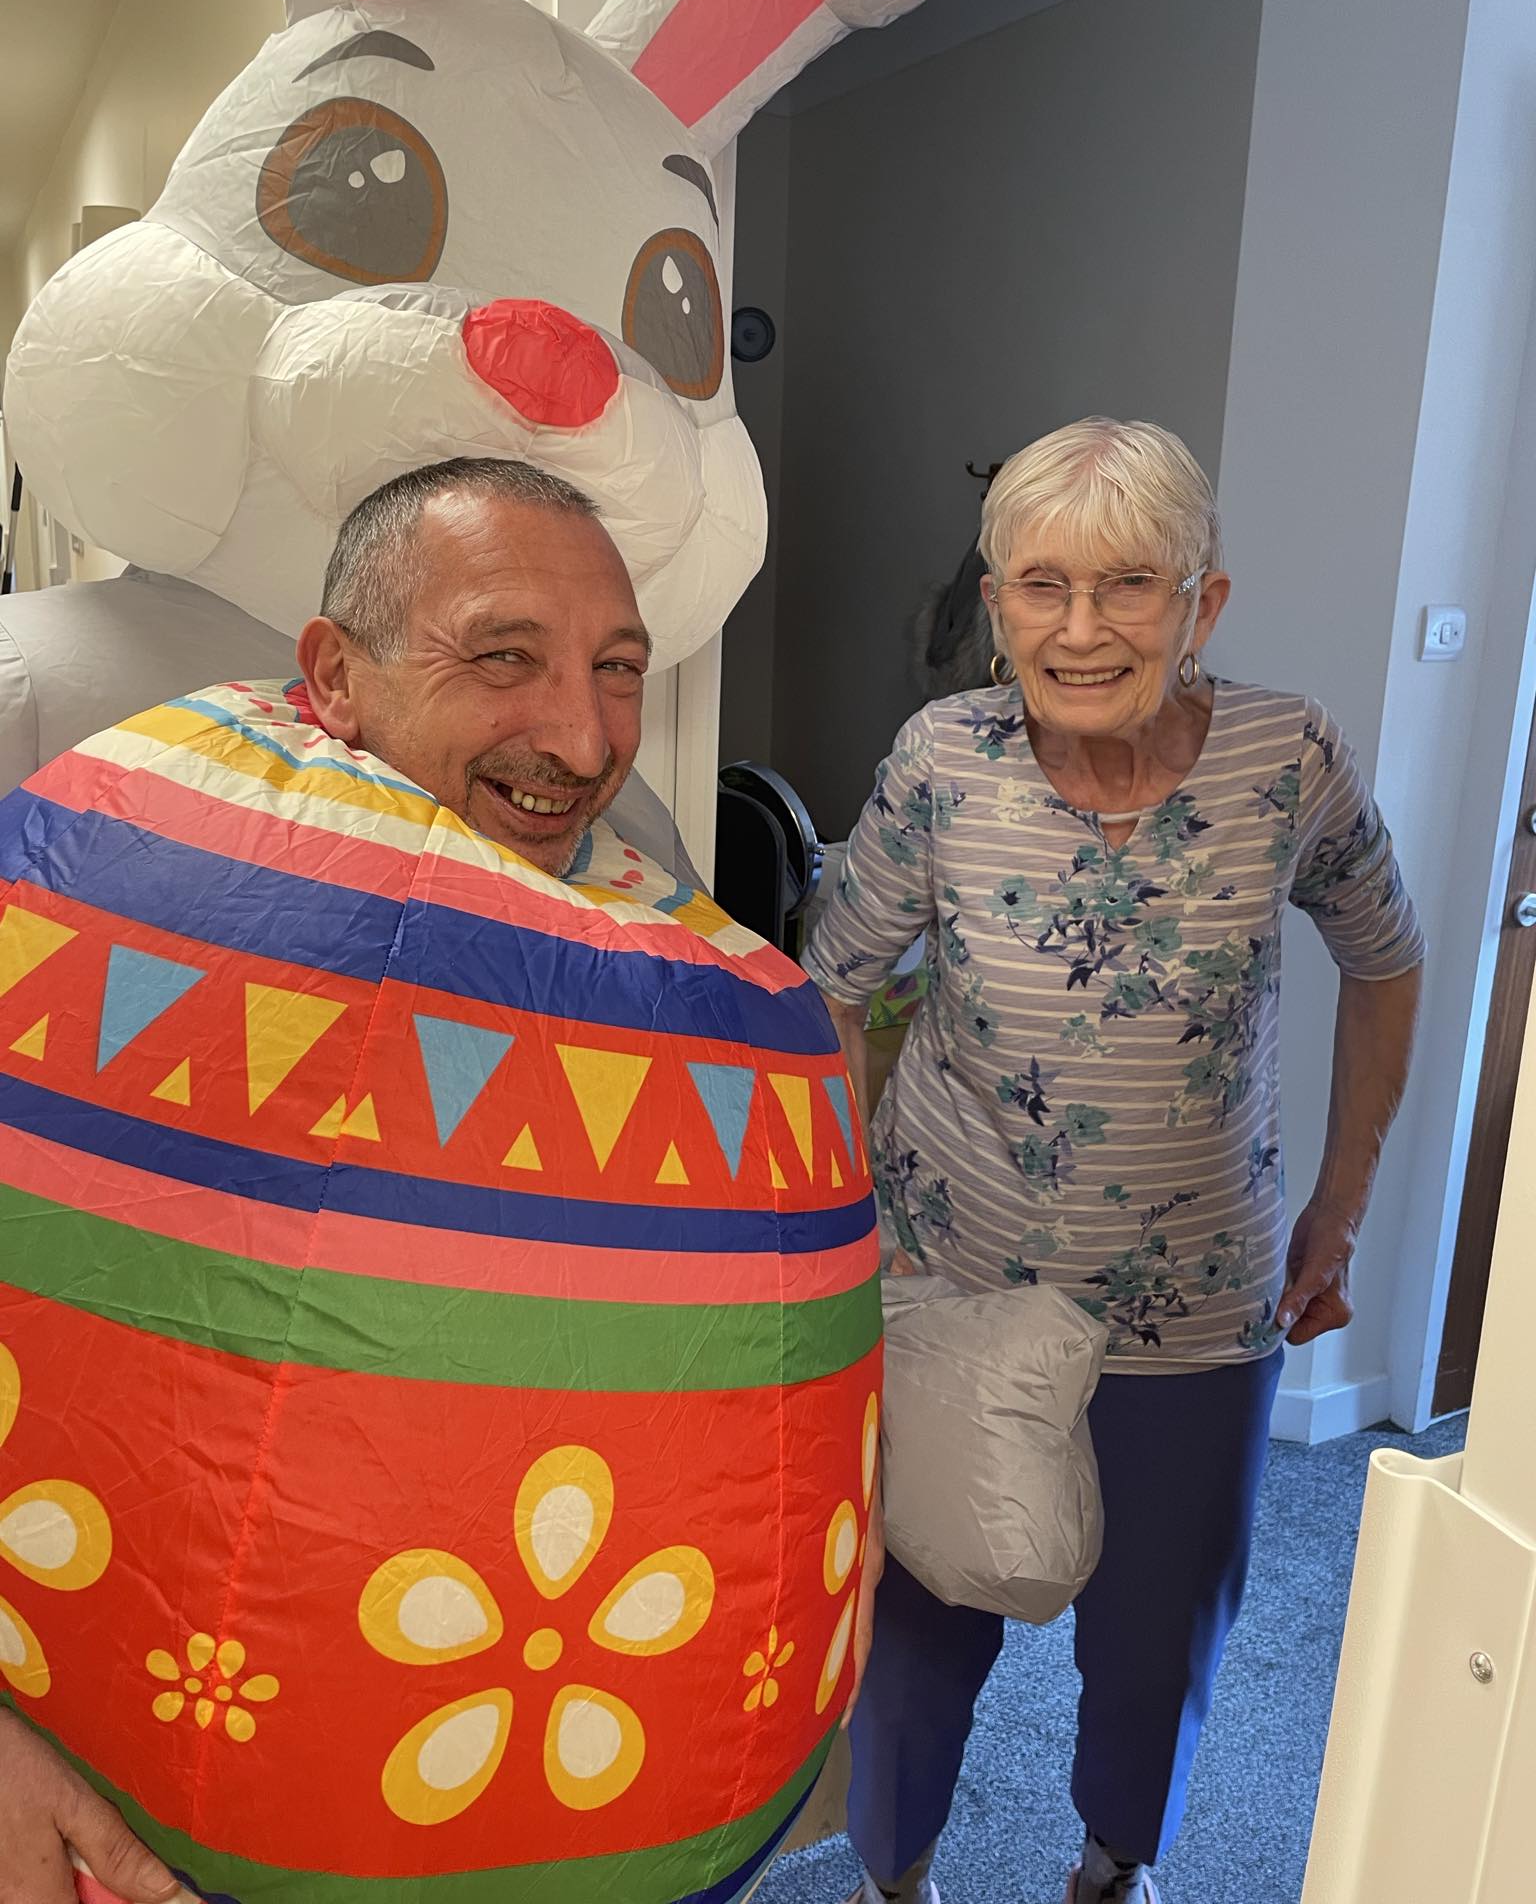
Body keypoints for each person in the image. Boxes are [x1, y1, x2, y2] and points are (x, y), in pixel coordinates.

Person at [0, 455, 882, 1904]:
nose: (584, 735)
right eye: (504, 658)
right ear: (333, 675)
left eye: (616, 668)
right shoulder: (93, 864)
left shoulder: (641, 888)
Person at [805, 418, 1424, 1904]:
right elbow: (830, 982)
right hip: (948, 1283)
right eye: (1039, 587)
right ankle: (896, 1877)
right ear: (996, 599)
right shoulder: (941, 761)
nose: (1080, 630)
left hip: (1201, 1311)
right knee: (917, 1632)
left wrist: (1341, 1205)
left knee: (1159, 1639)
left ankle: (1110, 1868)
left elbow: (1386, 959)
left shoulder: (1290, 758)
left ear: (1202, 606)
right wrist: (827, 1231)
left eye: (1130, 586)